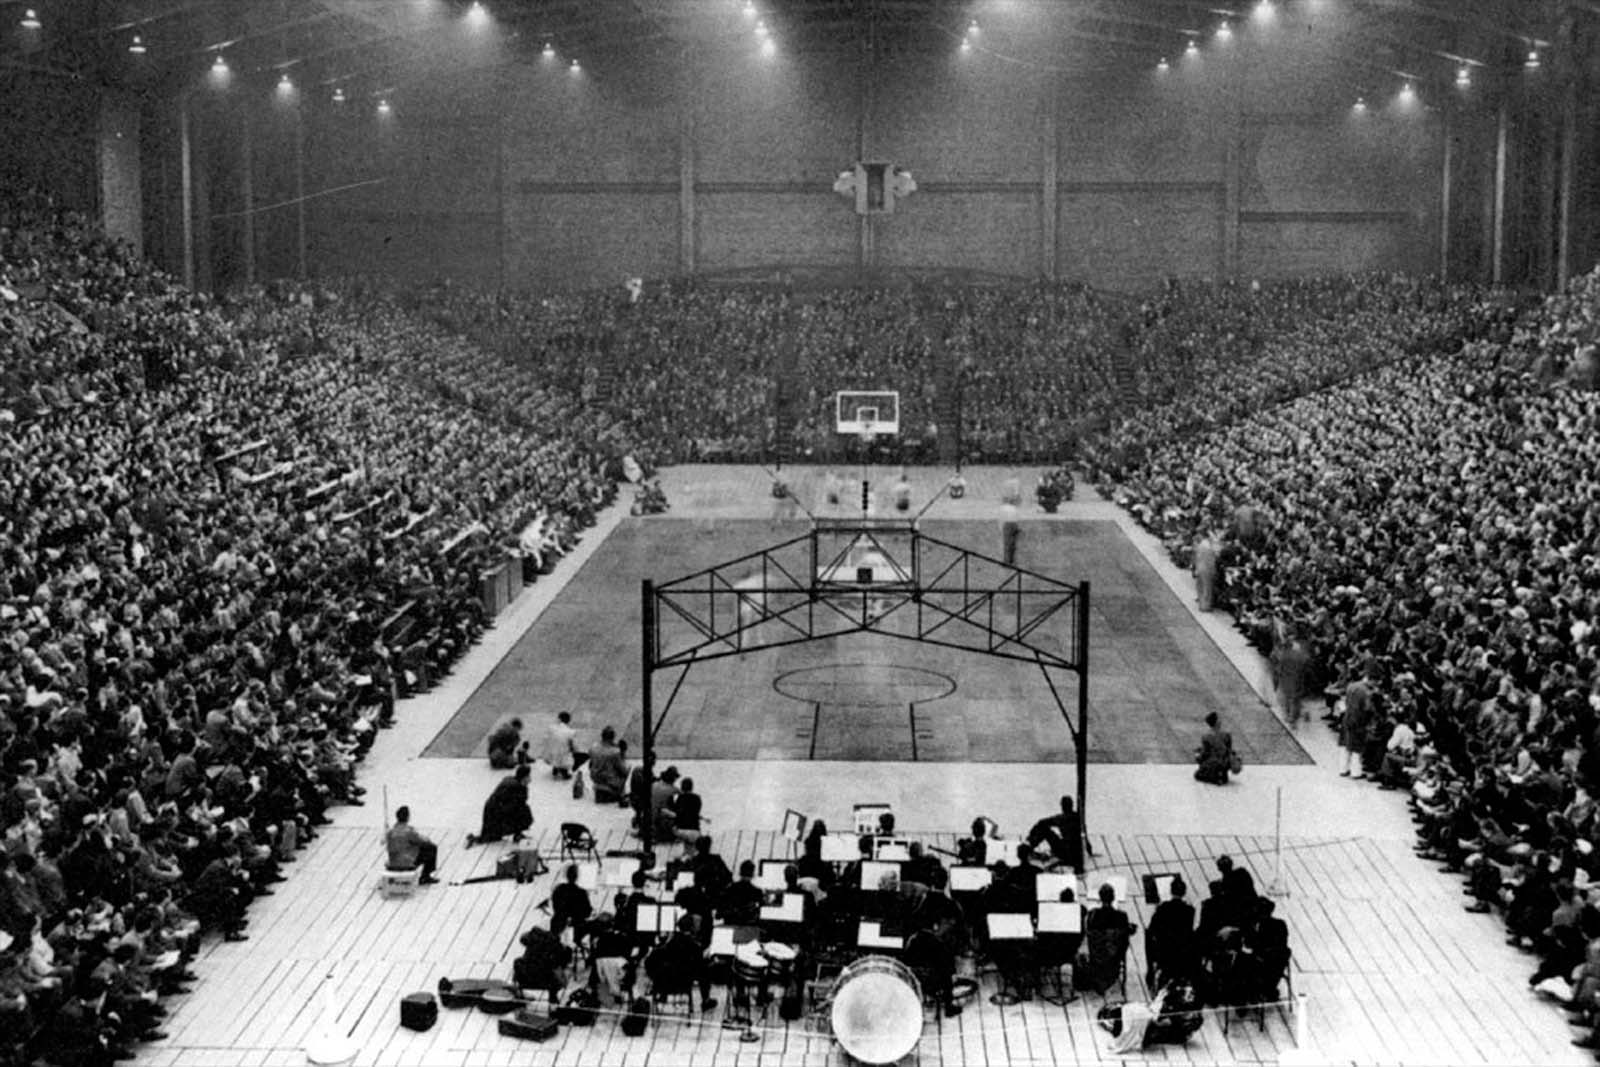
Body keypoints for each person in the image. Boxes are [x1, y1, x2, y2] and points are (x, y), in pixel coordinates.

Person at [643, 913, 718, 1011]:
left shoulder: (665, 946)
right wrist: (712, 962)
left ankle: (662, 995)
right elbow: (700, 968)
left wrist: (657, 979)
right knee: (705, 970)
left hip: (663, 984)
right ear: (692, 928)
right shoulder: (695, 947)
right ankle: (705, 1000)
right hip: (683, 984)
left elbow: (648, 963)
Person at [1144, 877, 1196, 989]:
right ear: (1184, 892)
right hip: (1182, 950)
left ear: (1171, 891)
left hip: (1164, 951)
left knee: (1147, 934)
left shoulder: (1163, 908)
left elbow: (1152, 928)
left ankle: (1150, 970)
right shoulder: (1189, 910)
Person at [466, 764, 533, 847]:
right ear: (524, 777)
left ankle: (516, 833)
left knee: (523, 810)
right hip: (495, 813)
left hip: (495, 810)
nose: (530, 779)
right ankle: (517, 834)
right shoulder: (516, 787)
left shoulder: (513, 781)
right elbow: (515, 805)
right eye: (528, 776)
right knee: (524, 812)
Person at [1026, 795, 1084, 874]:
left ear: (1062, 806)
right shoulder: (1078, 817)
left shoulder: (1061, 818)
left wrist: (1031, 834)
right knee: (1050, 831)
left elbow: (1042, 822)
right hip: (1076, 854)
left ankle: (1029, 847)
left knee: (1045, 830)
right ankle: (1030, 845)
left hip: (1065, 853)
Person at [385, 806, 438, 884]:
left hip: (392, 863)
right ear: (408, 817)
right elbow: (423, 841)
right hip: (407, 863)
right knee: (431, 848)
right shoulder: (409, 831)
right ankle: (425, 876)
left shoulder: (390, 832)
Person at [1340, 664, 1375, 779]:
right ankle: (1356, 772)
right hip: (1359, 720)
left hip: (1347, 717)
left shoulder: (1351, 686)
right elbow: (1368, 708)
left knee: (1346, 745)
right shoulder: (1366, 691)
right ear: (1371, 679)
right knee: (1357, 747)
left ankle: (1343, 769)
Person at [587, 726, 628, 805]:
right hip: (609, 781)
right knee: (627, 769)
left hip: (596, 779)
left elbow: (590, 764)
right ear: (613, 737)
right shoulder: (615, 752)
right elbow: (624, 771)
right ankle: (620, 794)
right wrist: (622, 756)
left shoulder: (593, 748)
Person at [1194, 712, 1235, 785]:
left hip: (1213, 762)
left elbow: (1205, 753)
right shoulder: (1227, 735)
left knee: (1197, 775)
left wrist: (1198, 756)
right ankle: (1222, 774)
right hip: (1225, 761)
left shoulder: (1206, 736)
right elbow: (1229, 750)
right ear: (1217, 722)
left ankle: (1214, 776)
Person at [541, 711, 580, 779]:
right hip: (563, 756)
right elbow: (575, 747)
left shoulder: (551, 728)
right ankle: (563, 771)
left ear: (559, 719)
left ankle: (556, 768)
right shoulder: (571, 732)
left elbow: (545, 740)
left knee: (556, 749)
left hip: (550, 754)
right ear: (568, 721)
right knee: (568, 752)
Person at [1191, 531, 1221, 613]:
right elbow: (1214, 558)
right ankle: (1205, 606)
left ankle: (1201, 603)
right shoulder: (1209, 546)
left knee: (1200, 586)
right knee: (1207, 587)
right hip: (1207, 569)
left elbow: (1196, 557)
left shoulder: (1201, 545)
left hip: (1200, 567)